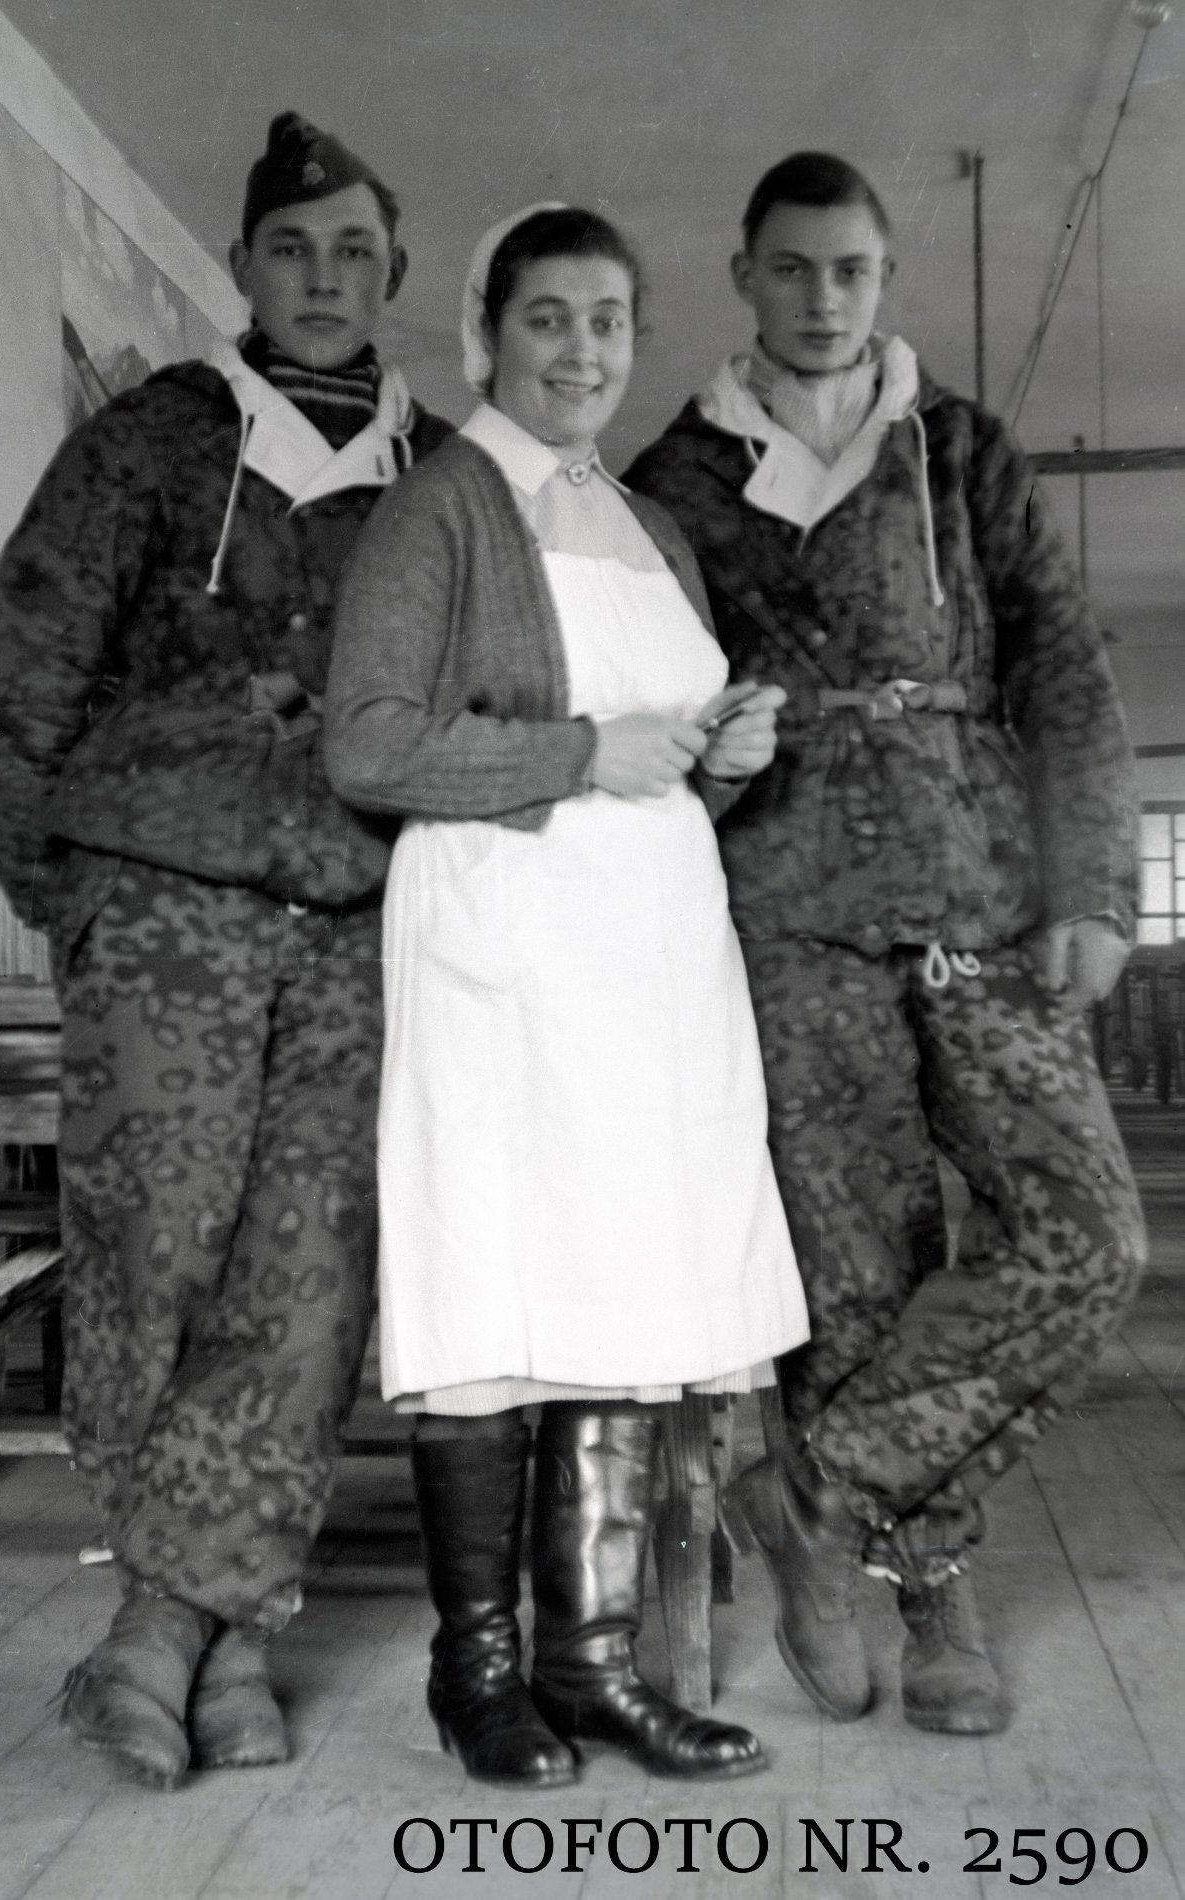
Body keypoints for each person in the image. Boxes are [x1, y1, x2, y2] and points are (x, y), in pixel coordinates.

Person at [0, 114, 450, 1790]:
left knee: (309, 1276)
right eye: (291, 250)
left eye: (354, 252)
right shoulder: (153, 439)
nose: (323, 278)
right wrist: (74, 895)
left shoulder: (446, 477)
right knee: (152, 1248)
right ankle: (210, 1632)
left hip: (356, 926)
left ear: (392, 271)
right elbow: (16, 673)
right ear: (241, 267)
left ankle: (177, 1634)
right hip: (160, 910)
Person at [624, 151, 1146, 1737]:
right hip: (789, 917)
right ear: (744, 275)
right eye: (790, 268)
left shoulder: (961, 451)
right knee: (858, 1272)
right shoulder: (674, 478)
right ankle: (933, 1593)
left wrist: (1094, 888)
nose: (822, 297)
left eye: (848, 269)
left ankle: (818, 1494)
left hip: (981, 894)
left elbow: (1063, 670)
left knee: (1088, 1236)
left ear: (885, 277)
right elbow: (641, 706)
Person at [324, 204, 808, 1788]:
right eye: (548, 319)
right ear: (487, 335)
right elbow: (368, 745)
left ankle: (590, 1667)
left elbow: (657, 754)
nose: (583, 351)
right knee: (493, 1295)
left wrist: (721, 757)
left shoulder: (650, 526)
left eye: (608, 320)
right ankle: (477, 1675)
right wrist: (586, 752)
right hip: (506, 940)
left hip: (649, 950)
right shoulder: (441, 508)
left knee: (624, 1294)